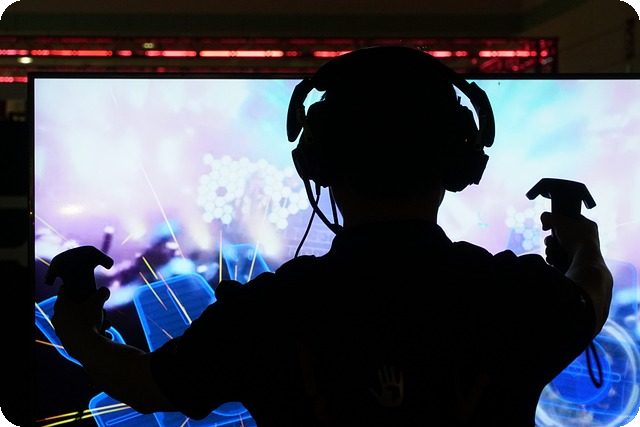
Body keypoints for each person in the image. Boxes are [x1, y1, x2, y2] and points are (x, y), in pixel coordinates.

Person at [51, 46, 613, 426]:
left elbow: (146, 385)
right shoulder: (518, 297)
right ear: (460, 163)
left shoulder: (266, 314)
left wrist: (78, 330)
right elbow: (591, 292)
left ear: (316, 162)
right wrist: (579, 240)